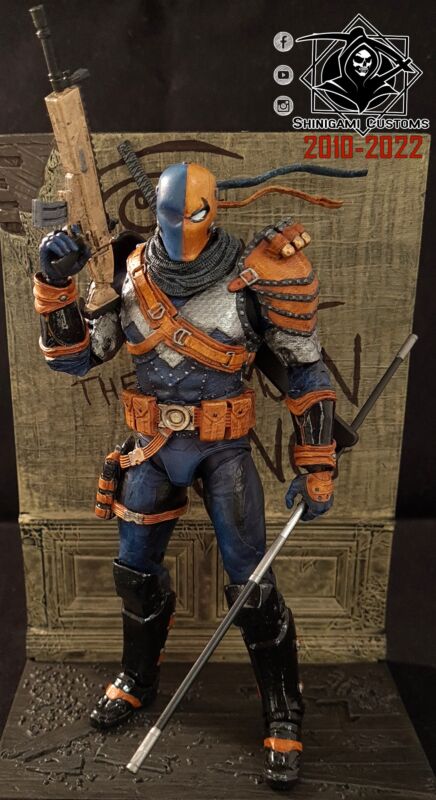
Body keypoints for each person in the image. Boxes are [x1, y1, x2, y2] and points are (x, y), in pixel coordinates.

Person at [32, 161, 337, 790]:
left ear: (213, 210)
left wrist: (317, 463)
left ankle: (283, 709)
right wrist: (54, 285)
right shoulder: (129, 270)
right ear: (155, 209)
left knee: (251, 581)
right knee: (134, 570)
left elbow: (305, 371)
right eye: (169, 213)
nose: (179, 226)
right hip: (152, 446)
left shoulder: (257, 273)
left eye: (192, 213)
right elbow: (77, 358)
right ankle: (137, 679)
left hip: (224, 448)